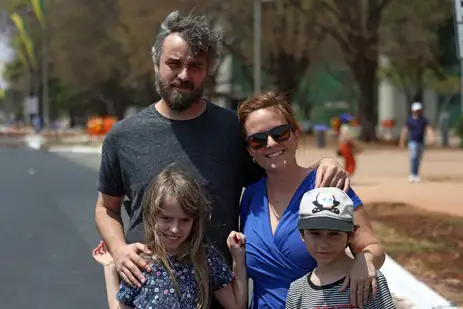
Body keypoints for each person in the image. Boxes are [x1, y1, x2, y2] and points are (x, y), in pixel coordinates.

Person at [94, 11, 350, 308]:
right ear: (156, 63)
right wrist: (119, 249)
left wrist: (326, 164)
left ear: (208, 70)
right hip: (145, 293)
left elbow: (277, 172)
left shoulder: (231, 130)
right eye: (173, 64)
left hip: (218, 295)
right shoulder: (123, 136)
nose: (184, 75)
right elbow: (106, 207)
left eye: (195, 66)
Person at [238, 92, 386, 309]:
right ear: (249, 149)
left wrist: (364, 262)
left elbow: (372, 246)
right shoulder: (250, 196)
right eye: (257, 140)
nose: (270, 143)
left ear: (296, 135)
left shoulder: (328, 186)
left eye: (280, 133)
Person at [92, 164, 248, 309]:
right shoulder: (139, 263)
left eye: (185, 220)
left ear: (195, 221)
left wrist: (238, 259)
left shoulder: (205, 259)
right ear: (151, 215)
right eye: (166, 218)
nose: (175, 229)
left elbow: (236, 305)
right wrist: (110, 267)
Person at [285, 187, 396, 309]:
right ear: (302, 234)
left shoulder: (368, 279)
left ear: (350, 235)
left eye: (334, 234)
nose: (324, 243)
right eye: (315, 233)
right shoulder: (297, 291)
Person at [399, 102, 434, 183]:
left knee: (418, 159)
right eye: (416, 110)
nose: (417, 112)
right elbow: (405, 131)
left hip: (421, 142)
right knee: (413, 157)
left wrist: (431, 137)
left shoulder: (423, 120)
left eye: (419, 110)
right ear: (413, 111)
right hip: (412, 142)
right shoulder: (410, 120)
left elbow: (428, 129)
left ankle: (416, 173)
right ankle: (413, 174)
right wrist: (402, 142)